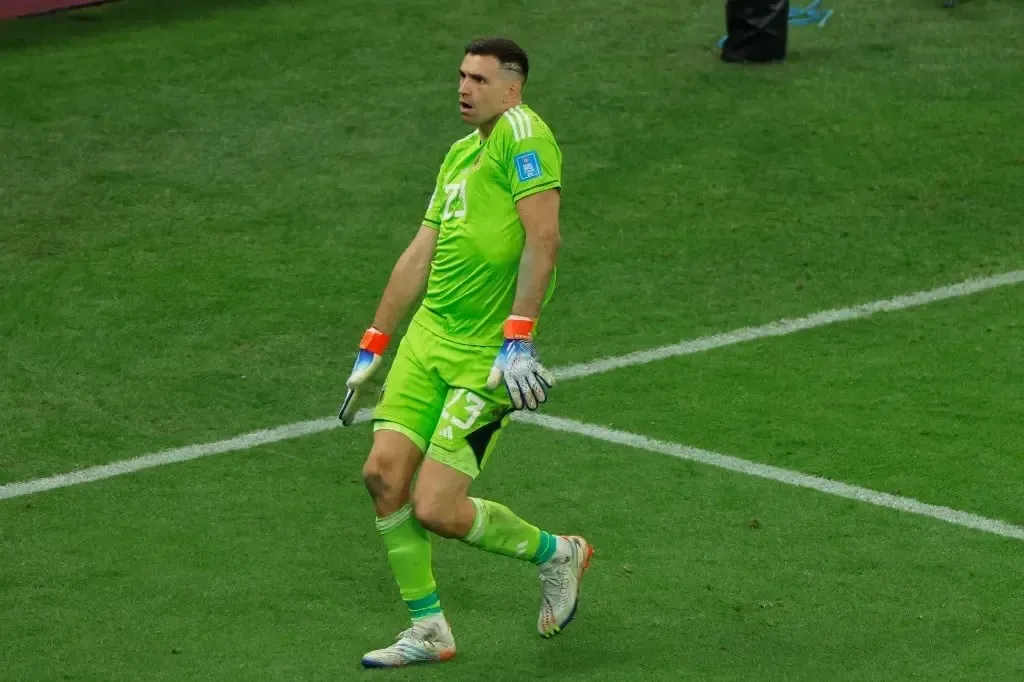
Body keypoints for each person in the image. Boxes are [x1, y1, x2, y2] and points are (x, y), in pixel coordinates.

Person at [338, 36, 594, 668]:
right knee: (381, 476)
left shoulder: (525, 138)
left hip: (485, 357)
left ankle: (557, 553)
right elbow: (420, 252)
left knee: (436, 508)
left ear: (513, 87)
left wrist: (518, 335)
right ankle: (429, 630)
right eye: (460, 76)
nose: (463, 88)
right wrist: (375, 342)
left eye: (479, 79)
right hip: (428, 341)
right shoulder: (458, 156)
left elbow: (545, 238)